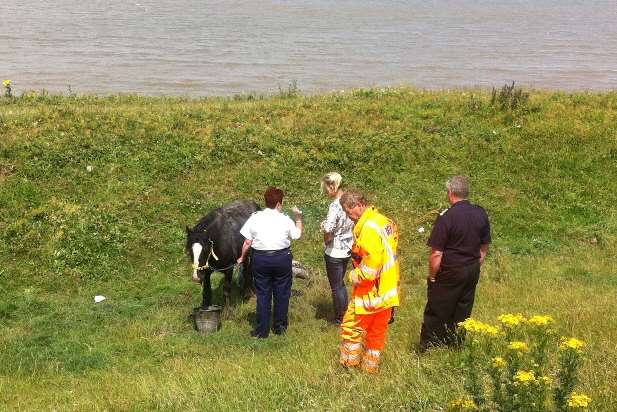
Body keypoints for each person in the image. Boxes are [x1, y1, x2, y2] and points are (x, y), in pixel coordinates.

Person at [419, 175, 491, 351]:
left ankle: (428, 347)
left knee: (436, 309)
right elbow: (484, 247)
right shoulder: (481, 213)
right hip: (472, 268)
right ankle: (456, 346)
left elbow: (436, 254)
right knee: (463, 309)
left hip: (450, 269)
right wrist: (475, 265)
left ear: (450, 193)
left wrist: (433, 277)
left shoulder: (447, 217)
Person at [338, 190, 400, 373]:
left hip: (371, 290)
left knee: (351, 326)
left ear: (357, 205)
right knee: (377, 331)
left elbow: (371, 265)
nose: (349, 217)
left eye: (348, 211)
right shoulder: (384, 221)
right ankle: (369, 368)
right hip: (388, 288)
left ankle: (348, 367)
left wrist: (354, 276)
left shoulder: (369, 228)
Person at [237, 187, 303, 338]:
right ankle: (279, 328)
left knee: (263, 294)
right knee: (282, 293)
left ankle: (262, 331)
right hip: (282, 258)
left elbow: (247, 242)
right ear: (280, 203)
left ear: (265, 202)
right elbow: (297, 235)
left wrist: (241, 257)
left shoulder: (254, 217)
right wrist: (298, 218)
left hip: (260, 259)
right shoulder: (285, 219)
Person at [320, 172, 354, 324]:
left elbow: (328, 228)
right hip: (348, 248)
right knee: (341, 284)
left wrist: (326, 241)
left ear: (333, 186)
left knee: (336, 286)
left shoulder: (335, 205)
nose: (325, 191)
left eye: (326, 187)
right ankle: (346, 312)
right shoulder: (350, 200)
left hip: (334, 251)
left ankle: (340, 318)